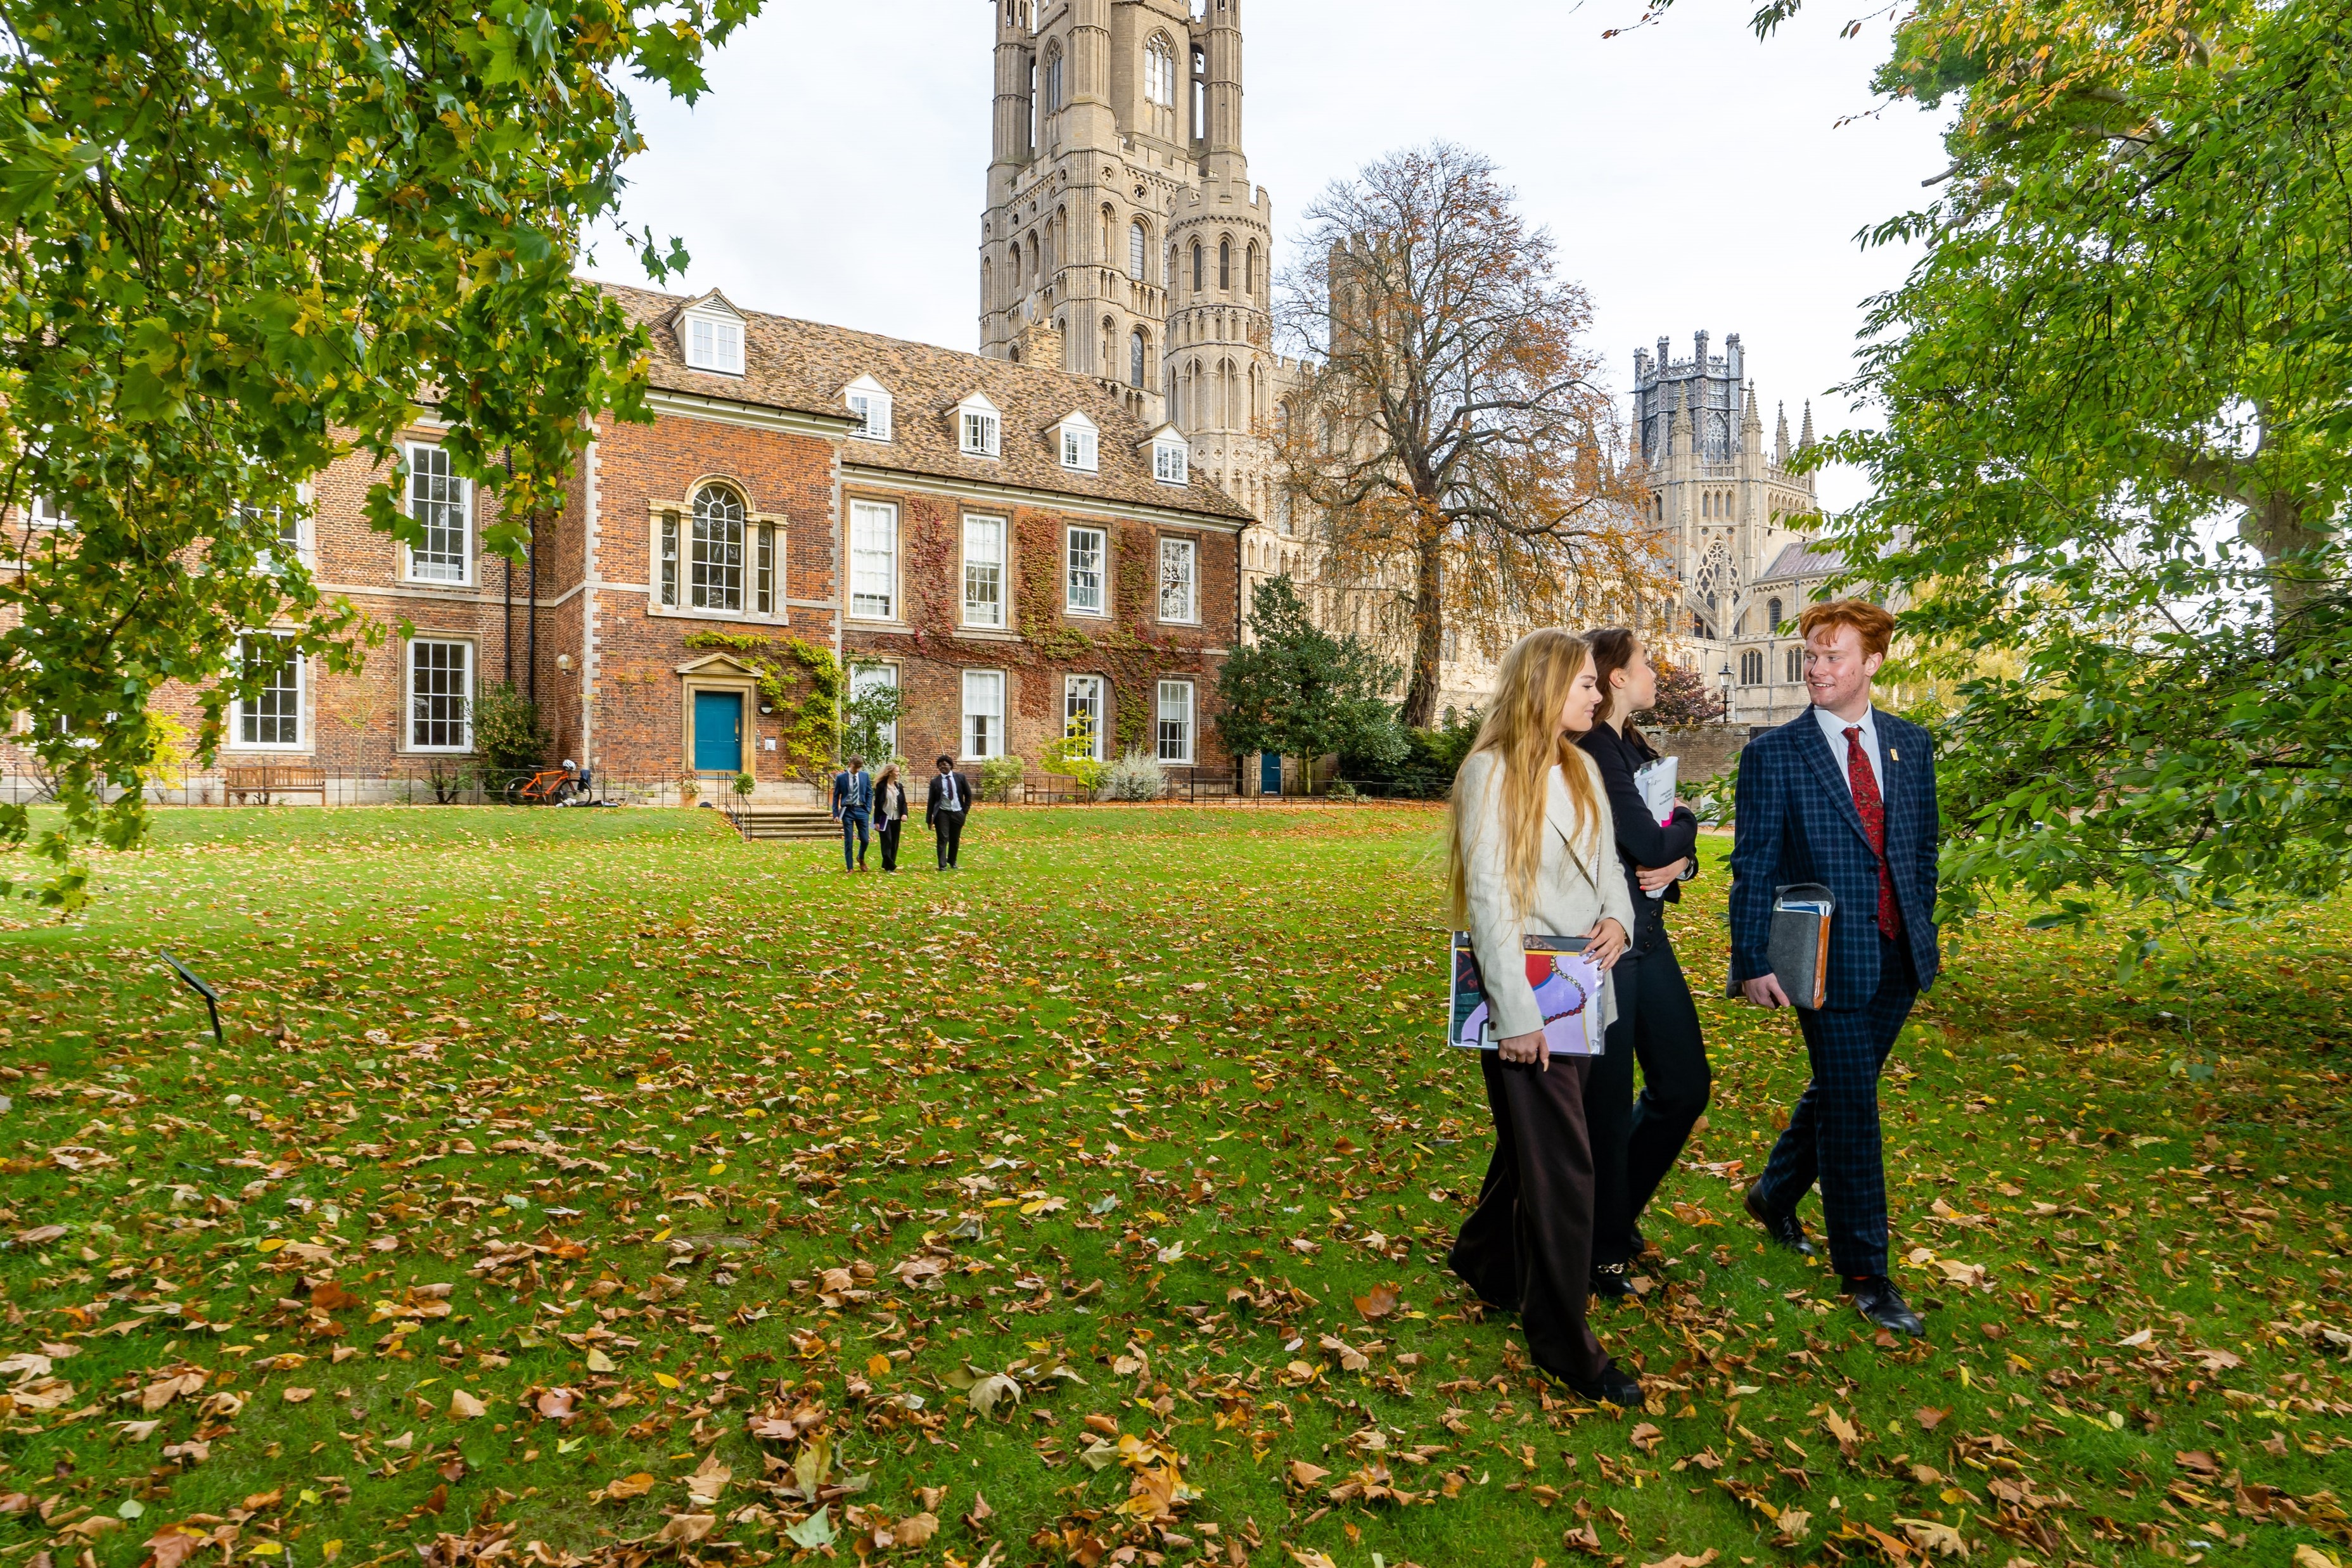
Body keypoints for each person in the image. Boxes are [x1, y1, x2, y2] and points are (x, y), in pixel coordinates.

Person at [1729, 599, 1940, 1338]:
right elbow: (1751, 864)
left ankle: (1773, 1192)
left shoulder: (1911, 747)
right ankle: (1866, 1272)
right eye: (1811, 656)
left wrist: (1922, 922)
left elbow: (1920, 850)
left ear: (1872, 662)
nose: (1818, 669)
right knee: (1854, 1111)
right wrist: (1749, 958)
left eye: (1833, 656)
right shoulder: (1773, 755)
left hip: (1900, 956)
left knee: (1839, 1090)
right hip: (1821, 961)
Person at [1446, 627, 1642, 1406]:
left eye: (1598, 684)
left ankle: (1484, 1261)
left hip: (1583, 993)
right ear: (1546, 686)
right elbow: (1490, 900)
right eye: (1586, 684)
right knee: (1565, 1164)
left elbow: (1611, 873)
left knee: (1535, 1145)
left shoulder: (1585, 767)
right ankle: (1564, 1340)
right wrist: (1517, 1015)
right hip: (1528, 1001)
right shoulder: (1490, 774)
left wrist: (1621, 923)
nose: (1598, 695)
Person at [1576, 628, 1709, 1301]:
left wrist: (1680, 853)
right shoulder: (1595, 746)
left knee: (1683, 1087)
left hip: (1645, 938)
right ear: (1616, 678)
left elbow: (1664, 854)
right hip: (1606, 949)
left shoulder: (1630, 744)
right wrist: (1685, 828)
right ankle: (1596, 1247)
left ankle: (1607, 1216)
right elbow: (1648, 838)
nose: (1656, 672)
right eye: (1645, 664)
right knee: (1599, 1107)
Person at [926, 753, 975, 871]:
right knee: (943, 838)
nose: (942, 767)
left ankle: (952, 861)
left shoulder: (960, 778)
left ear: (951, 766)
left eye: (944, 765)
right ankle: (942, 865)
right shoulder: (935, 782)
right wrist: (929, 820)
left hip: (958, 812)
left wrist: (965, 811)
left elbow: (968, 794)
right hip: (942, 813)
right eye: (940, 766)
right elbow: (931, 801)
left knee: (955, 839)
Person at [831, 755, 874, 872]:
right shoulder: (841, 778)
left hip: (862, 810)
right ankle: (850, 867)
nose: (858, 770)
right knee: (849, 840)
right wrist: (835, 813)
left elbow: (870, 793)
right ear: (850, 765)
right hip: (847, 811)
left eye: (860, 768)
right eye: (856, 768)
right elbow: (836, 797)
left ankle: (861, 857)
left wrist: (868, 808)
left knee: (865, 840)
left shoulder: (865, 776)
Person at [872, 763, 910, 873]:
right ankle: (891, 865)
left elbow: (903, 802)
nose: (899, 774)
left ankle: (888, 866)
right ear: (890, 773)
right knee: (887, 842)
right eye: (897, 771)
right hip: (885, 817)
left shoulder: (899, 786)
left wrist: (905, 814)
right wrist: (876, 821)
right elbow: (878, 805)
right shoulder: (881, 786)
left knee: (894, 842)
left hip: (896, 817)